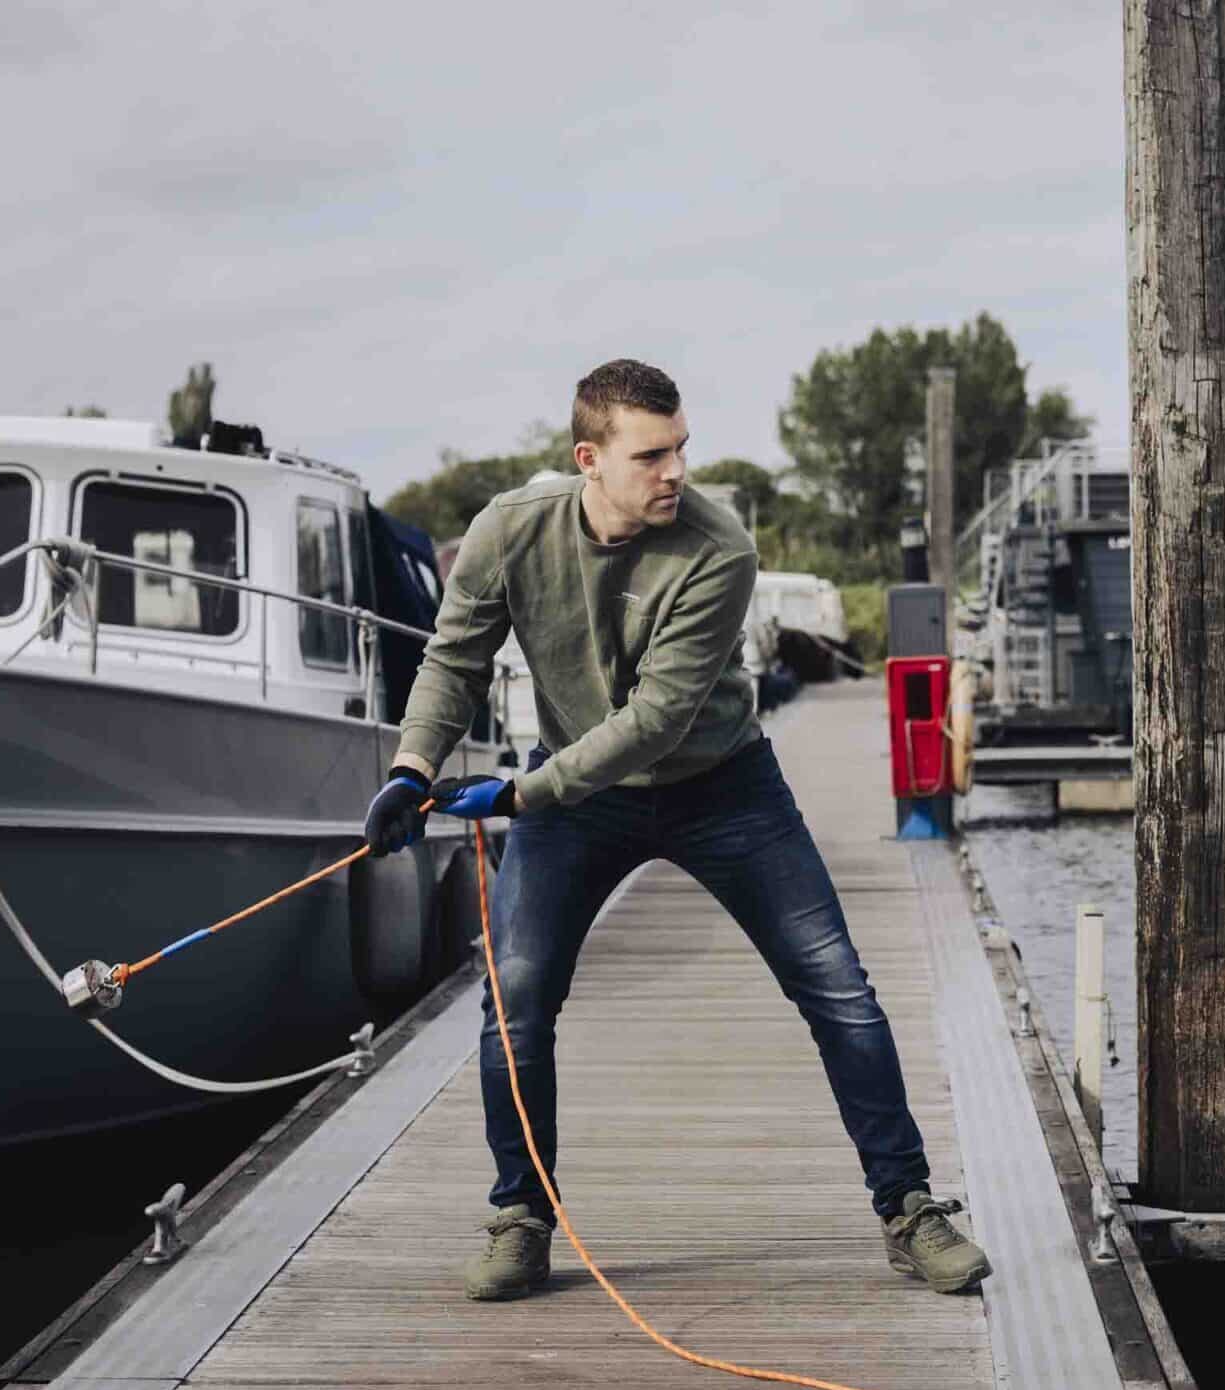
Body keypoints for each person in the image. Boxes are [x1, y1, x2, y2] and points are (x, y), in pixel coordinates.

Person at [363, 359, 991, 1301]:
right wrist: (412, 768)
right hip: (579, 799)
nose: (675, 471)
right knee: (517, 1002)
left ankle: (909, 1209)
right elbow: (454, 664)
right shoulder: (507, 533)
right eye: (652, 454)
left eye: (681, 449)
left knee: (839, 989)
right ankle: (521, 1218)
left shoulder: (719, 547)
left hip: (722, 787)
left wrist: (521, 796)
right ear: (590, 458)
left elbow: (656, 719)